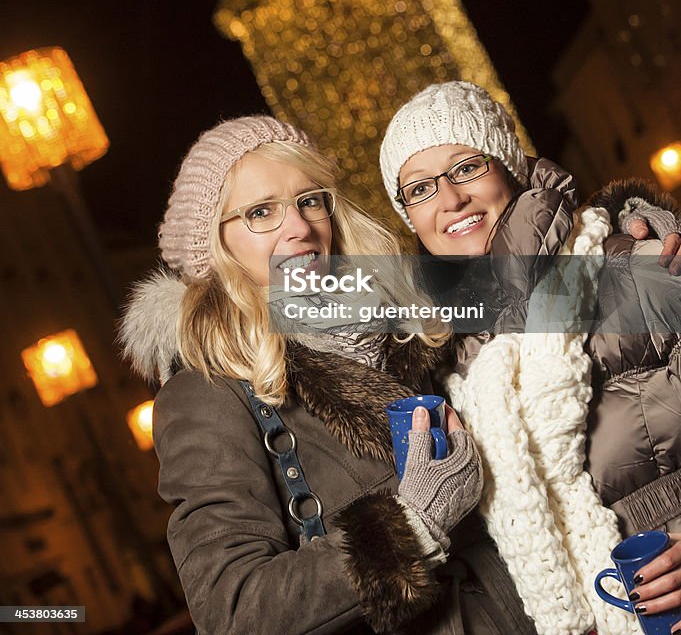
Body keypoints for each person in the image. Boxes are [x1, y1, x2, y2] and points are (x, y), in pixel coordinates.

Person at [120, 115, 537, 635]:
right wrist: (410, 527)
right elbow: (231, 608)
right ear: (217, 246)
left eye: (309, 200)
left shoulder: (410, 315)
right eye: (260, 212)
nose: (299, 227)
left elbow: (546, 284)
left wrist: (633, 229)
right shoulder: (207, 393)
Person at [380, 81, 681, 635]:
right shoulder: (446, 359)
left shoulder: (635, 267)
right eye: (420, 188)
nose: (449, 199)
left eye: (466, 167)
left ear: (510, 167)